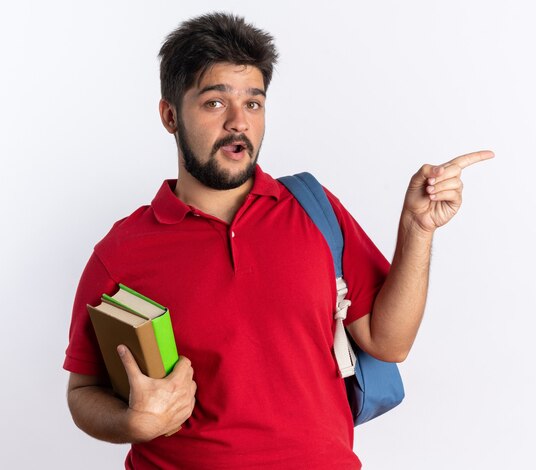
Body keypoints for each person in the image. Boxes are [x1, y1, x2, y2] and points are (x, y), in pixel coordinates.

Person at [63, 12, 493, 469]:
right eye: (214, 103)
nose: (238, 122)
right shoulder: (123, 251)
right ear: (170, 115)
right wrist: (133, 424)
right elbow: (82, 392)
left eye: (253, 103)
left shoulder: (313, 209)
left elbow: (389, 344)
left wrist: (417, 229)